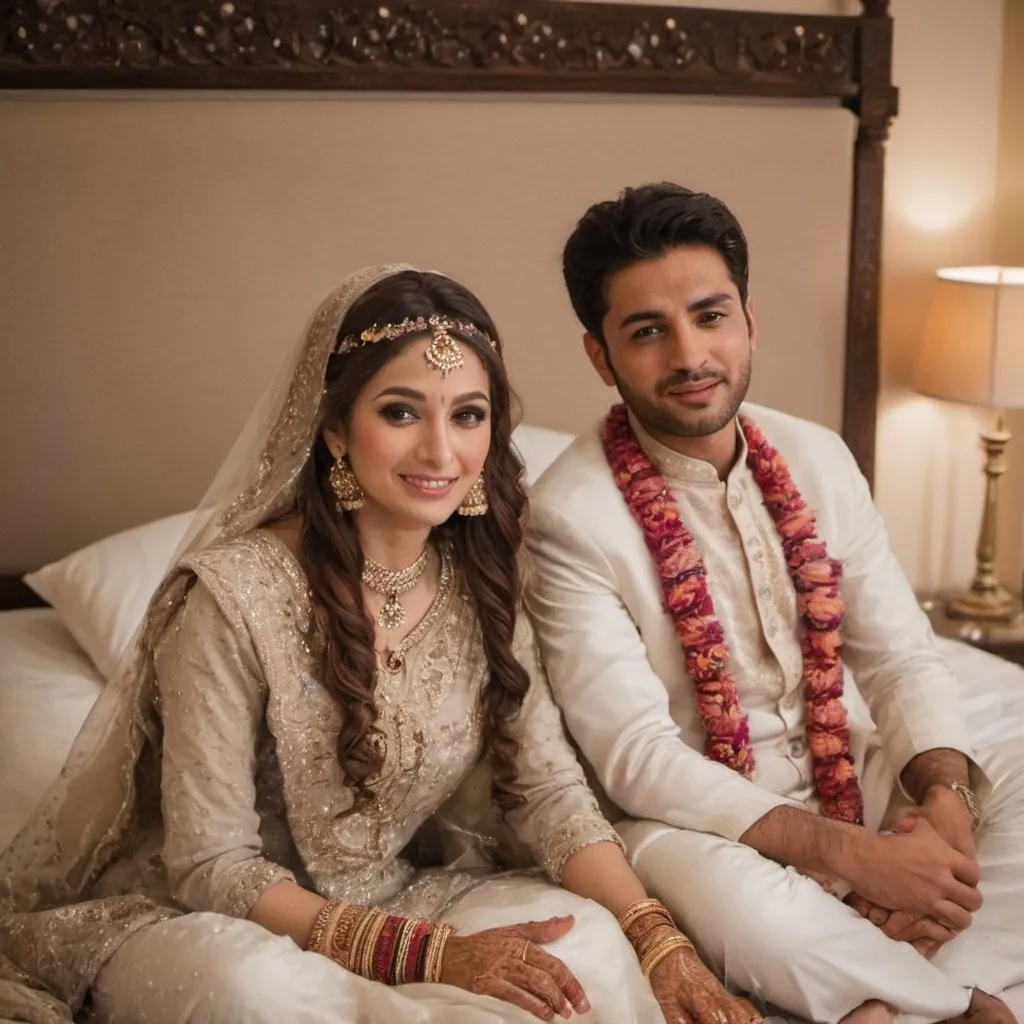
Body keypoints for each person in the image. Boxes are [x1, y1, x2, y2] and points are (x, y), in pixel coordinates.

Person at [0, 265, 757, 1024]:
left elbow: (547, 792)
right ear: (334, 428)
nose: (440, 452)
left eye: (468, 416)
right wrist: (426, 956)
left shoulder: (485, 579)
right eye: (401, 412)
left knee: (585, 949)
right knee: (263, 997)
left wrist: (661, 943)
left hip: (398, 893)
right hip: (215, 921)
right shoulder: (234, 597)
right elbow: (211, 863)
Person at [524, 185, 1024, 1024]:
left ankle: (878, 994)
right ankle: (963, 1004)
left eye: (710, 315)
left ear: (750, 319)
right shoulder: (568, 515)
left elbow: (901, 656)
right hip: (692, 827)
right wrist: (854, 857)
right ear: (600, 357)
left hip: (849, 777)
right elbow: (637, 758)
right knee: (755, 920)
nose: (691, 354)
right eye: (648, 331)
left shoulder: (818, 457)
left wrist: (946, 813)